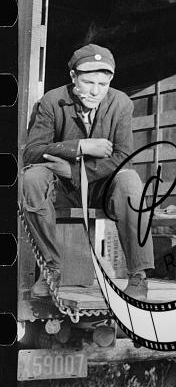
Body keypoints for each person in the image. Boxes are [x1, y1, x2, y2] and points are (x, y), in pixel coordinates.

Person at [21, 44, 154, 301]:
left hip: (101, 188)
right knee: (32, 178)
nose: (95, 91)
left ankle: (138, 275)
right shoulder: (52, 101)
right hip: (62, 190)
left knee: (130, 180)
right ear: (73, 77)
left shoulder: (121, 103)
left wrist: (73, 170)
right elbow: (32, 152)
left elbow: (123, 156)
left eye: (103, 84)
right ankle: (51, 269)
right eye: (88, 82)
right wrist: (80, 146)